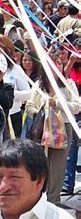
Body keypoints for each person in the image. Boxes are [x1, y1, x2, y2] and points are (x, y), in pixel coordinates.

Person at [24, 52, 80, 202]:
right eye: (52, 64)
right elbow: (29, 105)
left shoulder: (69, 84)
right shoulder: (38, 85)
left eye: (59, 63)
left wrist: (58, 104)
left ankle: (53, 200)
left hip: (63, 128)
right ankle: (38, 198)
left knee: (58, 166)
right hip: (42, 128)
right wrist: (40, 111)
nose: (56, 66)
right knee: (40, 163)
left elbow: (77, 107)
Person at [0, 34, 30, 137]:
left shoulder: (15, 69)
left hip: (12, 117)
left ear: (7, 50)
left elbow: (28, 94)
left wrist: (9, 94)